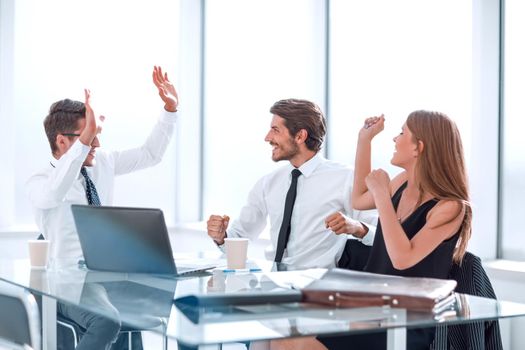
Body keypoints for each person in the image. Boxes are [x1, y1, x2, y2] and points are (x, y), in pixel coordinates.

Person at [273, 110, 472, 350]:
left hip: (406, 321)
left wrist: (381, 195)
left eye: (401, 133)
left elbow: (402, 258)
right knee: (283, 335)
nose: (395, 139)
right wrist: (364, 140)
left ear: (418, 147)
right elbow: (358, 199)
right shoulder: (401, 183)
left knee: (297, 343)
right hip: (372, 309)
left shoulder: (450, 207)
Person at [26, 66, 179, 350]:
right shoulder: (40, 182)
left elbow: (150, 155)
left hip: (111, 275)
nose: (96, 143)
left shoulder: (102, 162)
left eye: (96, 134)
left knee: (155, 307)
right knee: (108, 321)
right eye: (88, 136)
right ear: (62, 141)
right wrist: (83, 144)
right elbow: (55, 192)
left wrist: (170, 111)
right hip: (68, 282)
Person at [207, 98, 377, 269]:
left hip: (318, 285)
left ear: (300, 136)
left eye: (275, 130)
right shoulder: (268, 183)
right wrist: (222, 236)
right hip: (273, 282)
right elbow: (239, 235)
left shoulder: (345, 178)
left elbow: (379, 233)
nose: (267, 138)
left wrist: (356, 227)